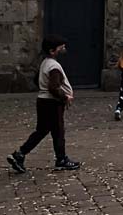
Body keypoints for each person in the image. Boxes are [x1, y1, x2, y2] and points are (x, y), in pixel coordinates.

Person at [7, 35, 80, 173]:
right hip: (52, 103)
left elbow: (37, 80)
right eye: (61, 47)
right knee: (58, 131)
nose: (64, 49)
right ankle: (61, 159)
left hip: (43, 101)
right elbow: (54, 87)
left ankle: (20, 154)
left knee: (42, 131)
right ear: (53, 51)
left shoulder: (45, 63)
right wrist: (65, 97)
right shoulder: (53, 66)